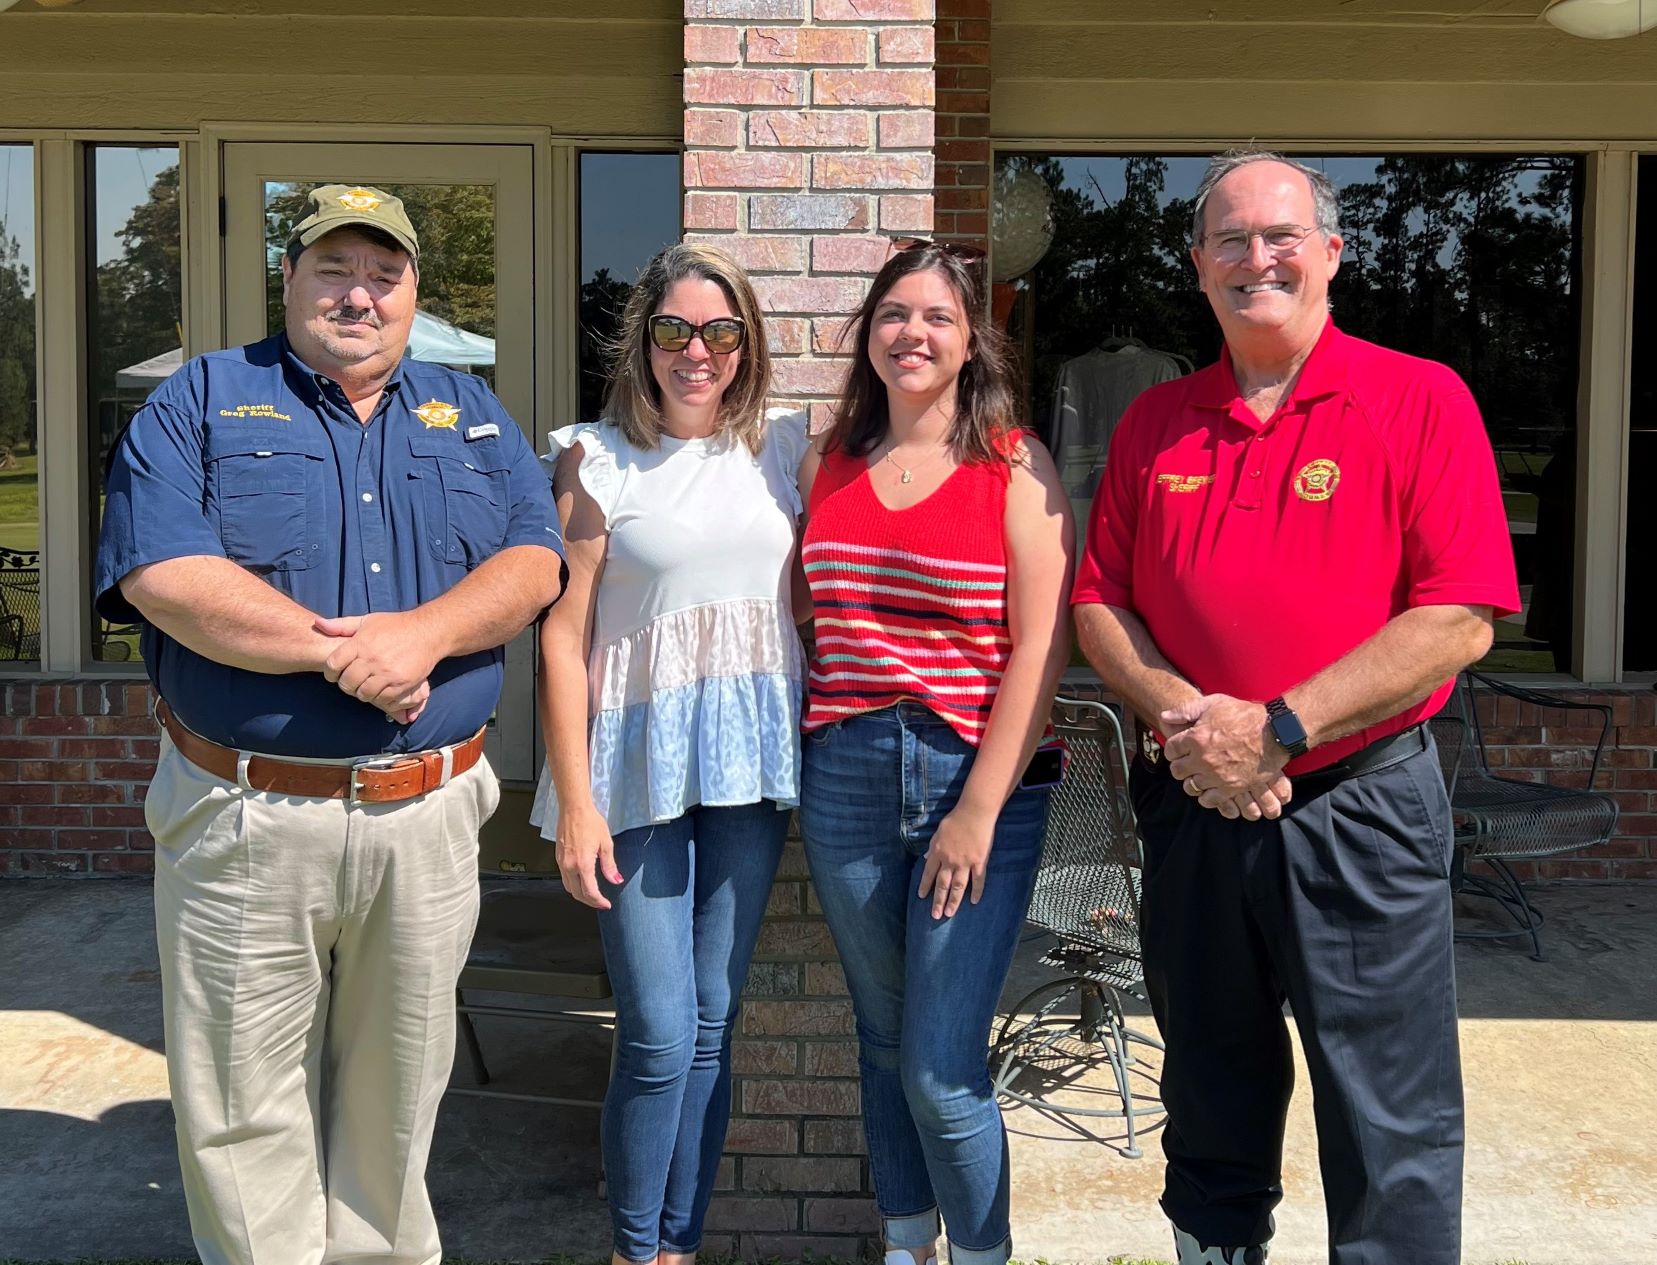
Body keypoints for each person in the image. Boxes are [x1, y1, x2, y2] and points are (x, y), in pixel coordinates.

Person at [93, 184, 566, 1265]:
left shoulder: (472, 412)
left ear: (411, 293)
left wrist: (424, 633)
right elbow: (164, 574)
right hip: (249, 818)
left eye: (382, 274)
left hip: (429, 816)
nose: (358, 294)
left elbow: (534, 560)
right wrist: (346, 651)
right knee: (240, 1101)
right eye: (333, 269)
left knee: (398, 1097)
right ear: (291, 278)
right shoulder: (200, 400)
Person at [1072, 151, 1521, 1265]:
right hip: (1195, 800)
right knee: (1209, 1075)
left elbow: (1459, 615)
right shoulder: (1155, 423)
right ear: (1197, 265)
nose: (1254, 258)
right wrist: (1195, 723)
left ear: (1329, 251)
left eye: (1280, 236)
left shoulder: (1418, 396)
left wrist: (1273, 725)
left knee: (1386, 1107)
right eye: (1229, 239)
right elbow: (1097, 602)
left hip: (1360, 801)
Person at [796, 239, 1075, 1265]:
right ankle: (907, 1242)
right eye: (895, 314)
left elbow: (1041, 648)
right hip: (844, 774)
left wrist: (977, 808)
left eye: (938, 318)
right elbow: (802, 610)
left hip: (975, 779)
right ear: (869, 332)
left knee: (939, 1066)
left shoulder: (1013, 463)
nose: (913, 334)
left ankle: (982, 1252)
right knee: (880, 1039)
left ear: (970, 344)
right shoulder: (825, 456)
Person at [530, 242, 806, 1265]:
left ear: (748, 344)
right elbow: (562, 635)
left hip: (745, 767)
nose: (699, 351)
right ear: (642, 340)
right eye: (675, 330)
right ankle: (632, 1247)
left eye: (722, 331)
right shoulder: (595, 456)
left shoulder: (780, 450)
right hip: (633, 771)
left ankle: (679, 1246)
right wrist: (575, 800)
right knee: (654, 1027)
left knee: (710, 1020)